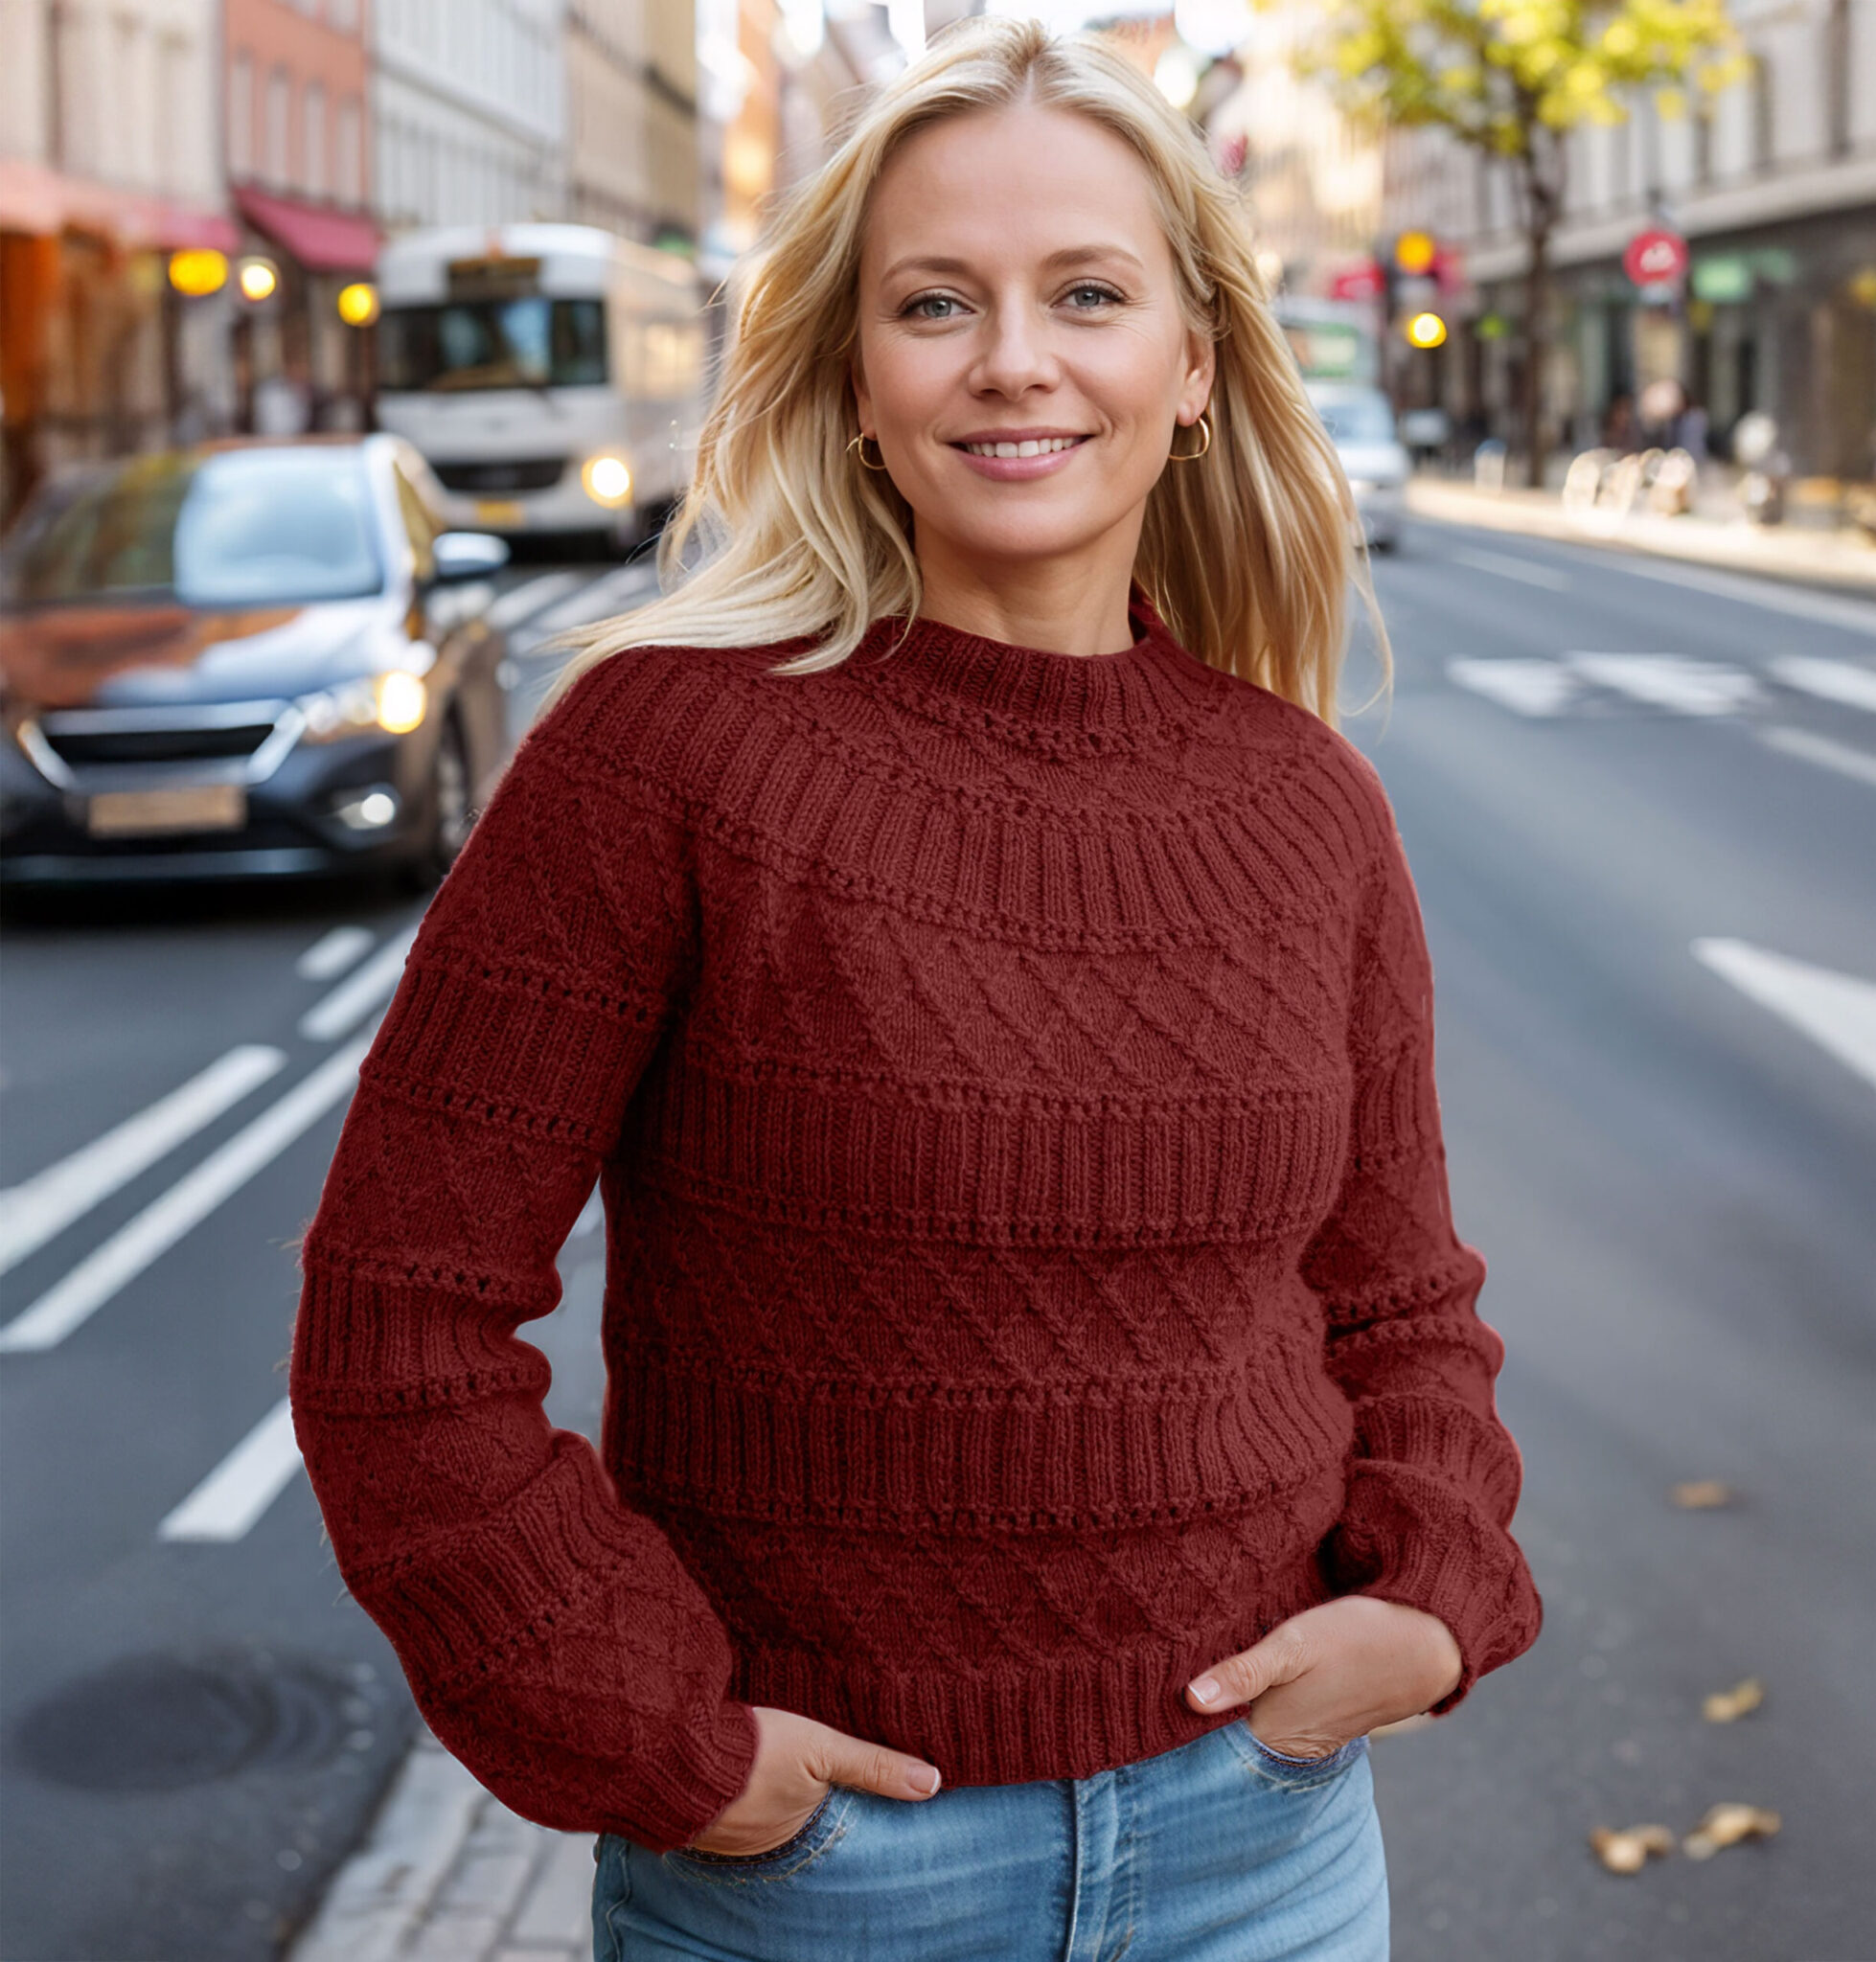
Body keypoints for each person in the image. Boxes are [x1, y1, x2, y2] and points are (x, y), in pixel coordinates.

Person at [287, 18, 1543, 1959]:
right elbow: (403, 1324)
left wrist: (1437, 1591)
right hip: (826, 1880)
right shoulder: (663, 759)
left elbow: (1396, 1301)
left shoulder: (1305, 804)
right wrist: (658, 1737)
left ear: (1193, 363)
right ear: (854, 378)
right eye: (935, 300)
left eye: (1089, 294)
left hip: (1265, 1852)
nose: (1014, 359)